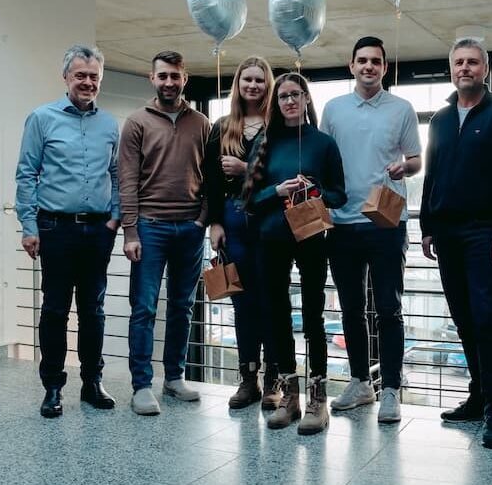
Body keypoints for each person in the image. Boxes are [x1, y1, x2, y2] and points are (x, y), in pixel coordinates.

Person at [420, 37, 492, 448]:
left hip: (486, 233)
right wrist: (427, 225)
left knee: (486, 320)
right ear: (452, 69)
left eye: (472, 62)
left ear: (484, 69)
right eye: (458, 63)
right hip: (446, 233)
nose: (464, 68)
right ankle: (478, 395)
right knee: (464, 320)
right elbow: (432, 175)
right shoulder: (441, 120)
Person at [15, 44, 120, 418]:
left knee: (93, 310)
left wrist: (115, 218)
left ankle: (92, 383)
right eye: (81, 75)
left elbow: (116, 175)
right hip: (55, 229)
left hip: (98, 231)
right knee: (56, 309)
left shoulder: (109, 124)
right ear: (66, 78)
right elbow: (26, 174)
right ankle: (53, 387)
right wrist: (29, 227)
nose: (87, 82)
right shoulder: (41, 119)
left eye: (94, 77)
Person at [320, 36, 422, 423]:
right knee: (350, 309)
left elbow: (416, 160)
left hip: (386, 222)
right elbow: (324, 161)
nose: (368, 67)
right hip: (342, 222)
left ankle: (391, 388)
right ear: (351, 66)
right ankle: (361, 382)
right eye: (362, 60)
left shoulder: (402, 109)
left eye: (375, 61)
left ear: (384, 67)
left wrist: (404, 167)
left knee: (389, 308)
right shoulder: (333, 109)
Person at [242, 73, 346, 435]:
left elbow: (340, 194)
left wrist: (315, 189)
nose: (289, 101)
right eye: (283, 96)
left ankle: (319, 400)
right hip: (271, 239)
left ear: (305, 99)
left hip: (312, 237)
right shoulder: (265, 143)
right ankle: (290, 396)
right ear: (277, 102)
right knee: (276, 315)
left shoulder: (324, 144)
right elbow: (249, 199)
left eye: (295, 95)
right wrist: (278, 189)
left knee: (314, 315)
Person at [119, 50, 211, 416]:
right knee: (143, 308)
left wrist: (202, 219)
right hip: (149, 228)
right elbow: (126, 179)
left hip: (190, 230)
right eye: (163, 76)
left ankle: (174, 377)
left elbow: (211, 177)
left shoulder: (202, 123)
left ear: (184, 78)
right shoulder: (136, 122)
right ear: (152, 79)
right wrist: (130, 231)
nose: (169, 82)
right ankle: (141, 385)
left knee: (183, 307)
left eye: (175, 76)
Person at [204, 56, 281, 410]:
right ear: (238, 84)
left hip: (270, 222)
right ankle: (248, 378)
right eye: (247, 79)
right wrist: (215, 223)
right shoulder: (222, 126)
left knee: (272, 302)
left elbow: (286, 174)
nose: (253, 86)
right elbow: (212, 181)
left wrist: (246, 167)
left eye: (259, 80)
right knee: (242, 303)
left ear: (269, 85)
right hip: (233, 223)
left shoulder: (279, 125)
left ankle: (273, 380)